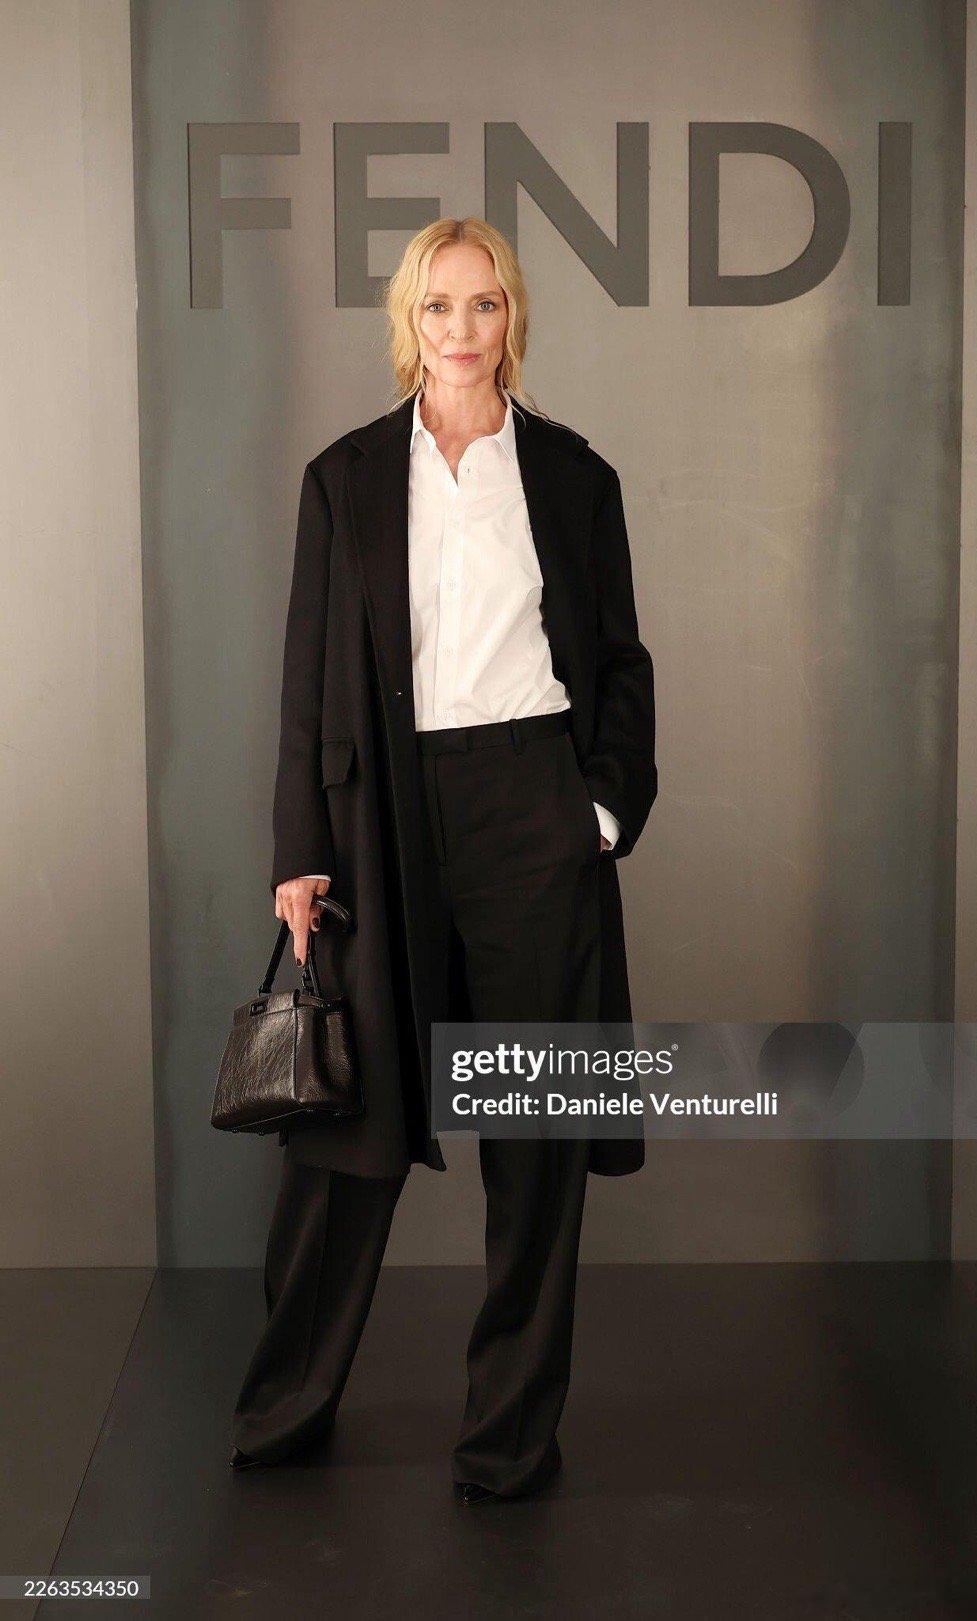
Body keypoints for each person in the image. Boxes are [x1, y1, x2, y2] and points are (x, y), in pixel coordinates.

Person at [230, 216, 657, 1501]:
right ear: (407, 321)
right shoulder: (346, 477)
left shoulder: (573, 475)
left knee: (533, 1135)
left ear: (511, 316)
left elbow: (620, 662)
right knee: (345, 1129)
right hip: (385, 811)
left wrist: (597, 814)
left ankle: (510, 1437)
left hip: (532, 807)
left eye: (483, 304)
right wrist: (301, 847)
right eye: (438, 306)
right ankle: (288, 1405)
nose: (461, 329)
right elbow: (306, 672)